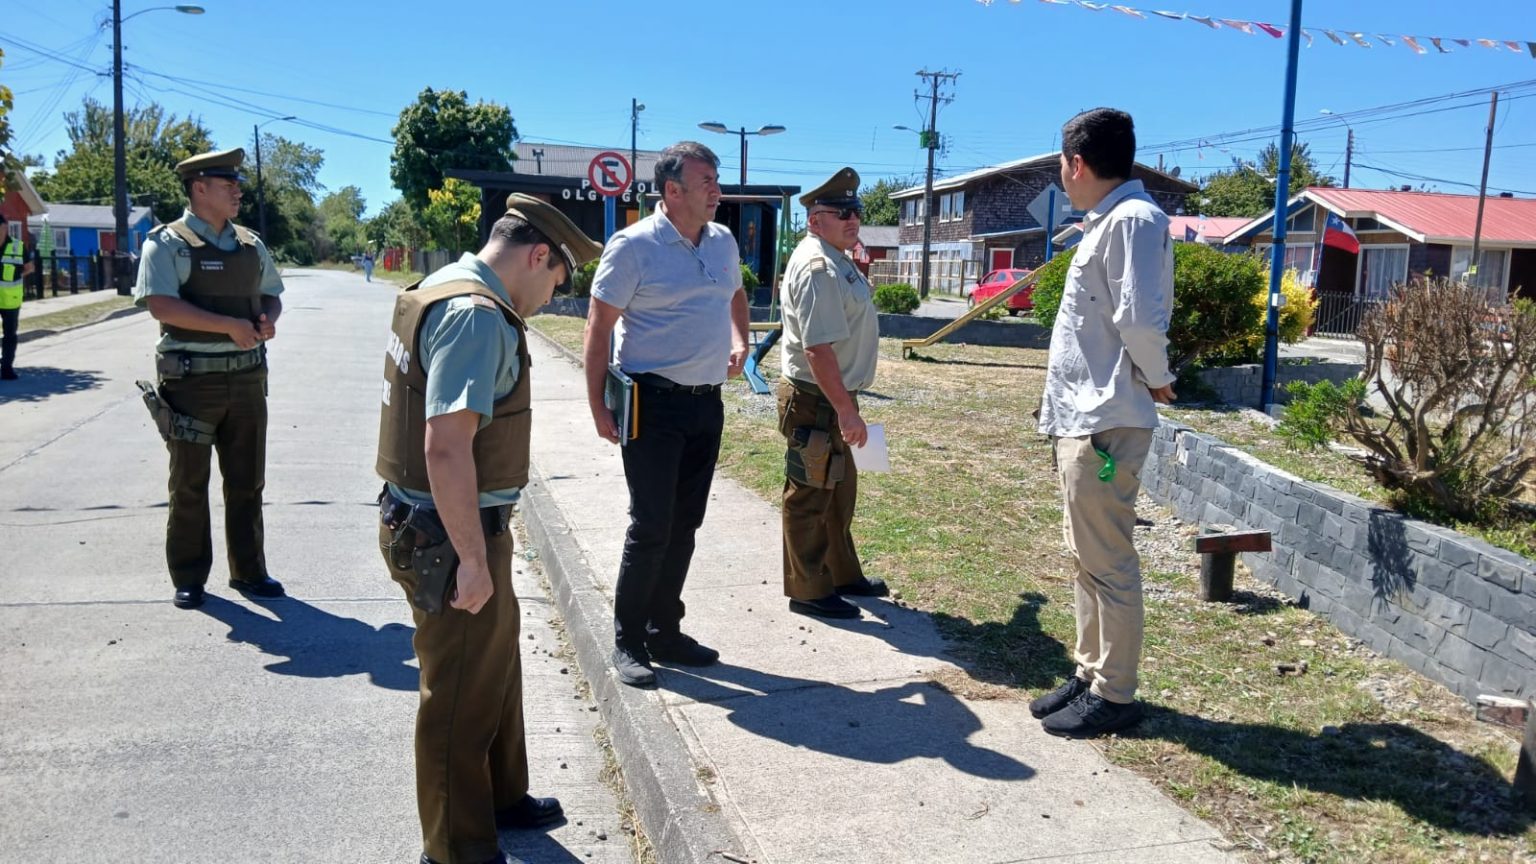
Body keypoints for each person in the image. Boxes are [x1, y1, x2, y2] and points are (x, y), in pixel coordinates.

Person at [376, 193, 603, 864]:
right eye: (555, 281)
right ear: (539, 256)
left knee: (494, 665)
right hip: (450, 534)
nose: (548, 298)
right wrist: (472, 562)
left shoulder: (442, 282)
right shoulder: (475, 318)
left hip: (444, 524)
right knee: (457, 697)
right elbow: (445, 447)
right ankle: (455, 848)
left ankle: (502, 795)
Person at [1030, 108, 1176, 739]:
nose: (1062, 176)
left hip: (1107, 419)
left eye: (1062, 164)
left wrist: (1160, 377)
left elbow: (1139, 321)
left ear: (1077, 163)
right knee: (1085, 555)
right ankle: (1091, 672)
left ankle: (1115, 692)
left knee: (1108, 559)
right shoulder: (1107, 223)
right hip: (1083, 418)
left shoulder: (1136, 223)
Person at [582, 141, 749, 688]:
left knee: (685, 525)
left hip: (707, 405)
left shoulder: (722, 241)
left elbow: (737, 295)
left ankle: (664, 629)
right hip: (651, 406)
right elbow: (599, 328)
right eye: (706, 181)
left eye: (716, 178)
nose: (717, 189)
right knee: (651, 525)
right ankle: (628, 639)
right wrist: (597, 407)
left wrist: (741, 340)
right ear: (672, 191)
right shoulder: (633, 247)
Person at [134, 148, 286, 609]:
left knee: (247, 482)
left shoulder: (249, 244)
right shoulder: (167, 244)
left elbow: (271, 294)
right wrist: (227, 326)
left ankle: (249, 571)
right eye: (227, 184)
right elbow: (161, 304)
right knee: (188, 484)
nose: (237, 190)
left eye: (236, 183)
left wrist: (265, 319)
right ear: (199, 188)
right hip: (191, 385)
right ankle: (189, 576)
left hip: (245, 381)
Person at [777, 167, 886, 620]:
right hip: (819, 398)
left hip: (837, 395)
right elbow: (817, 349)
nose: (853, 218)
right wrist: (846, 410)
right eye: (842, 212)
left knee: (840, 491)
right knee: (810, 493)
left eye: (856, 210)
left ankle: (841, 574)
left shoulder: (836, 257)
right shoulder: (818, 266)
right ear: (813, 219)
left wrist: (848, 405)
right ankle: (809, 589)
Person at [0, 214, 34, 380]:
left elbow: (29, 268)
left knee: (10, 335)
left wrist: (16, 275)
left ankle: (7, 368)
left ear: (5, 228)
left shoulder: (17, 247)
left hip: (10, 300)